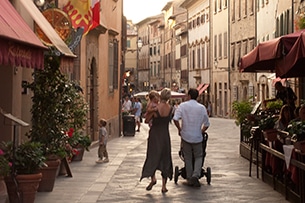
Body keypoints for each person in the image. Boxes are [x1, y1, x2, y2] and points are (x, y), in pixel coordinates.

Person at [173, 88, 210, 187]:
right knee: (199, 156)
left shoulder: (182, 106)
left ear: (188, 96)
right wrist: (201, 131)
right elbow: (207, 124)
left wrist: (179, 129)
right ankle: (196, 175)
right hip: (197, 136)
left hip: (186, 136)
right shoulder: (202, 108)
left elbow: (175, 119)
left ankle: (189, 177)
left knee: (187, 157)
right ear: (197, 96)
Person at [140, 88, 173, 193]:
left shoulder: (155, 108)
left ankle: (153, 178)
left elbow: (146, 120)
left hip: (154, 135)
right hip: (165, 135)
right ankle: (164, 186)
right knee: (165, 157)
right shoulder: (171, 108)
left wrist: (152, 112)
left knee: (153, 156)